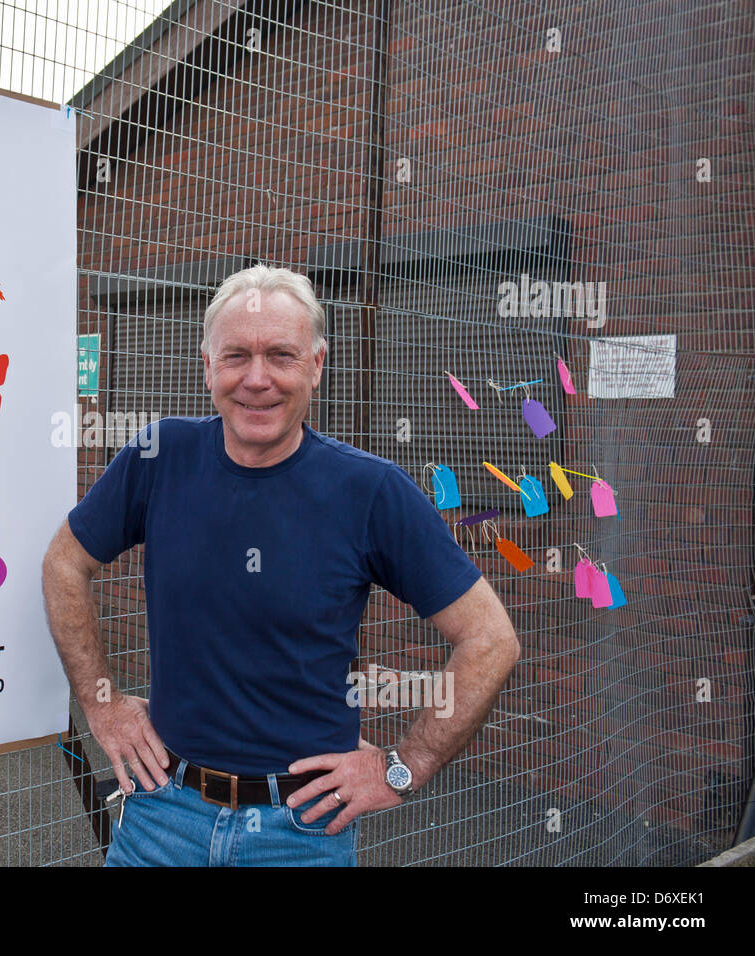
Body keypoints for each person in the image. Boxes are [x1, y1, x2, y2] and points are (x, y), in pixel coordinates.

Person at [41, 264, 520, 866]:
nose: (257, 379)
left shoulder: (370, 492)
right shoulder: (158, 458)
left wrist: (406, 766)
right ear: (207, 363)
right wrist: (102, 703)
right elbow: (64, 562)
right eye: (236, 355)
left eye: (282, 356)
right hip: (161, 814)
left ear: (317, 365)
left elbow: (489, 638)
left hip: (301, 833)